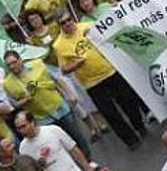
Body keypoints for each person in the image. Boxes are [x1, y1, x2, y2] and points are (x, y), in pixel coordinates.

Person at [52, 12, 146, 150]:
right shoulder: (59, 45)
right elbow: (64, 69)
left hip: (110, 71)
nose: (67, 23)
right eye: (63, 22)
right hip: (92, 83)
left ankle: (139, 125)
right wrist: (76, 65)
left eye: (68, 20)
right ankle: (130, 140)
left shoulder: (87, 26)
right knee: (110, 113)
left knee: (128, 100)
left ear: (73, 19)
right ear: (59, 26)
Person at [1, 50, 92, 159]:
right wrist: (24, 100)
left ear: (20, 59)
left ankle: (89, 161)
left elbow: (57, 78)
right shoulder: (7, 83)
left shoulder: (37, 64)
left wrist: (70, 94)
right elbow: (14, 105)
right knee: (59, 145)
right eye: (8, 65)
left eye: (14, 62)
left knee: (76, 137)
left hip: (60, 108)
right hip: (42, 118)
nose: (12, 66)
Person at [14, 110, 93, 171]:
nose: (21, 131)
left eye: (24, 126)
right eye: (18, 128)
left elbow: (73, 150)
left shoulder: (53, 130)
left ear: (32, 122)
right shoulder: (23, 148)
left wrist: (88, 169)